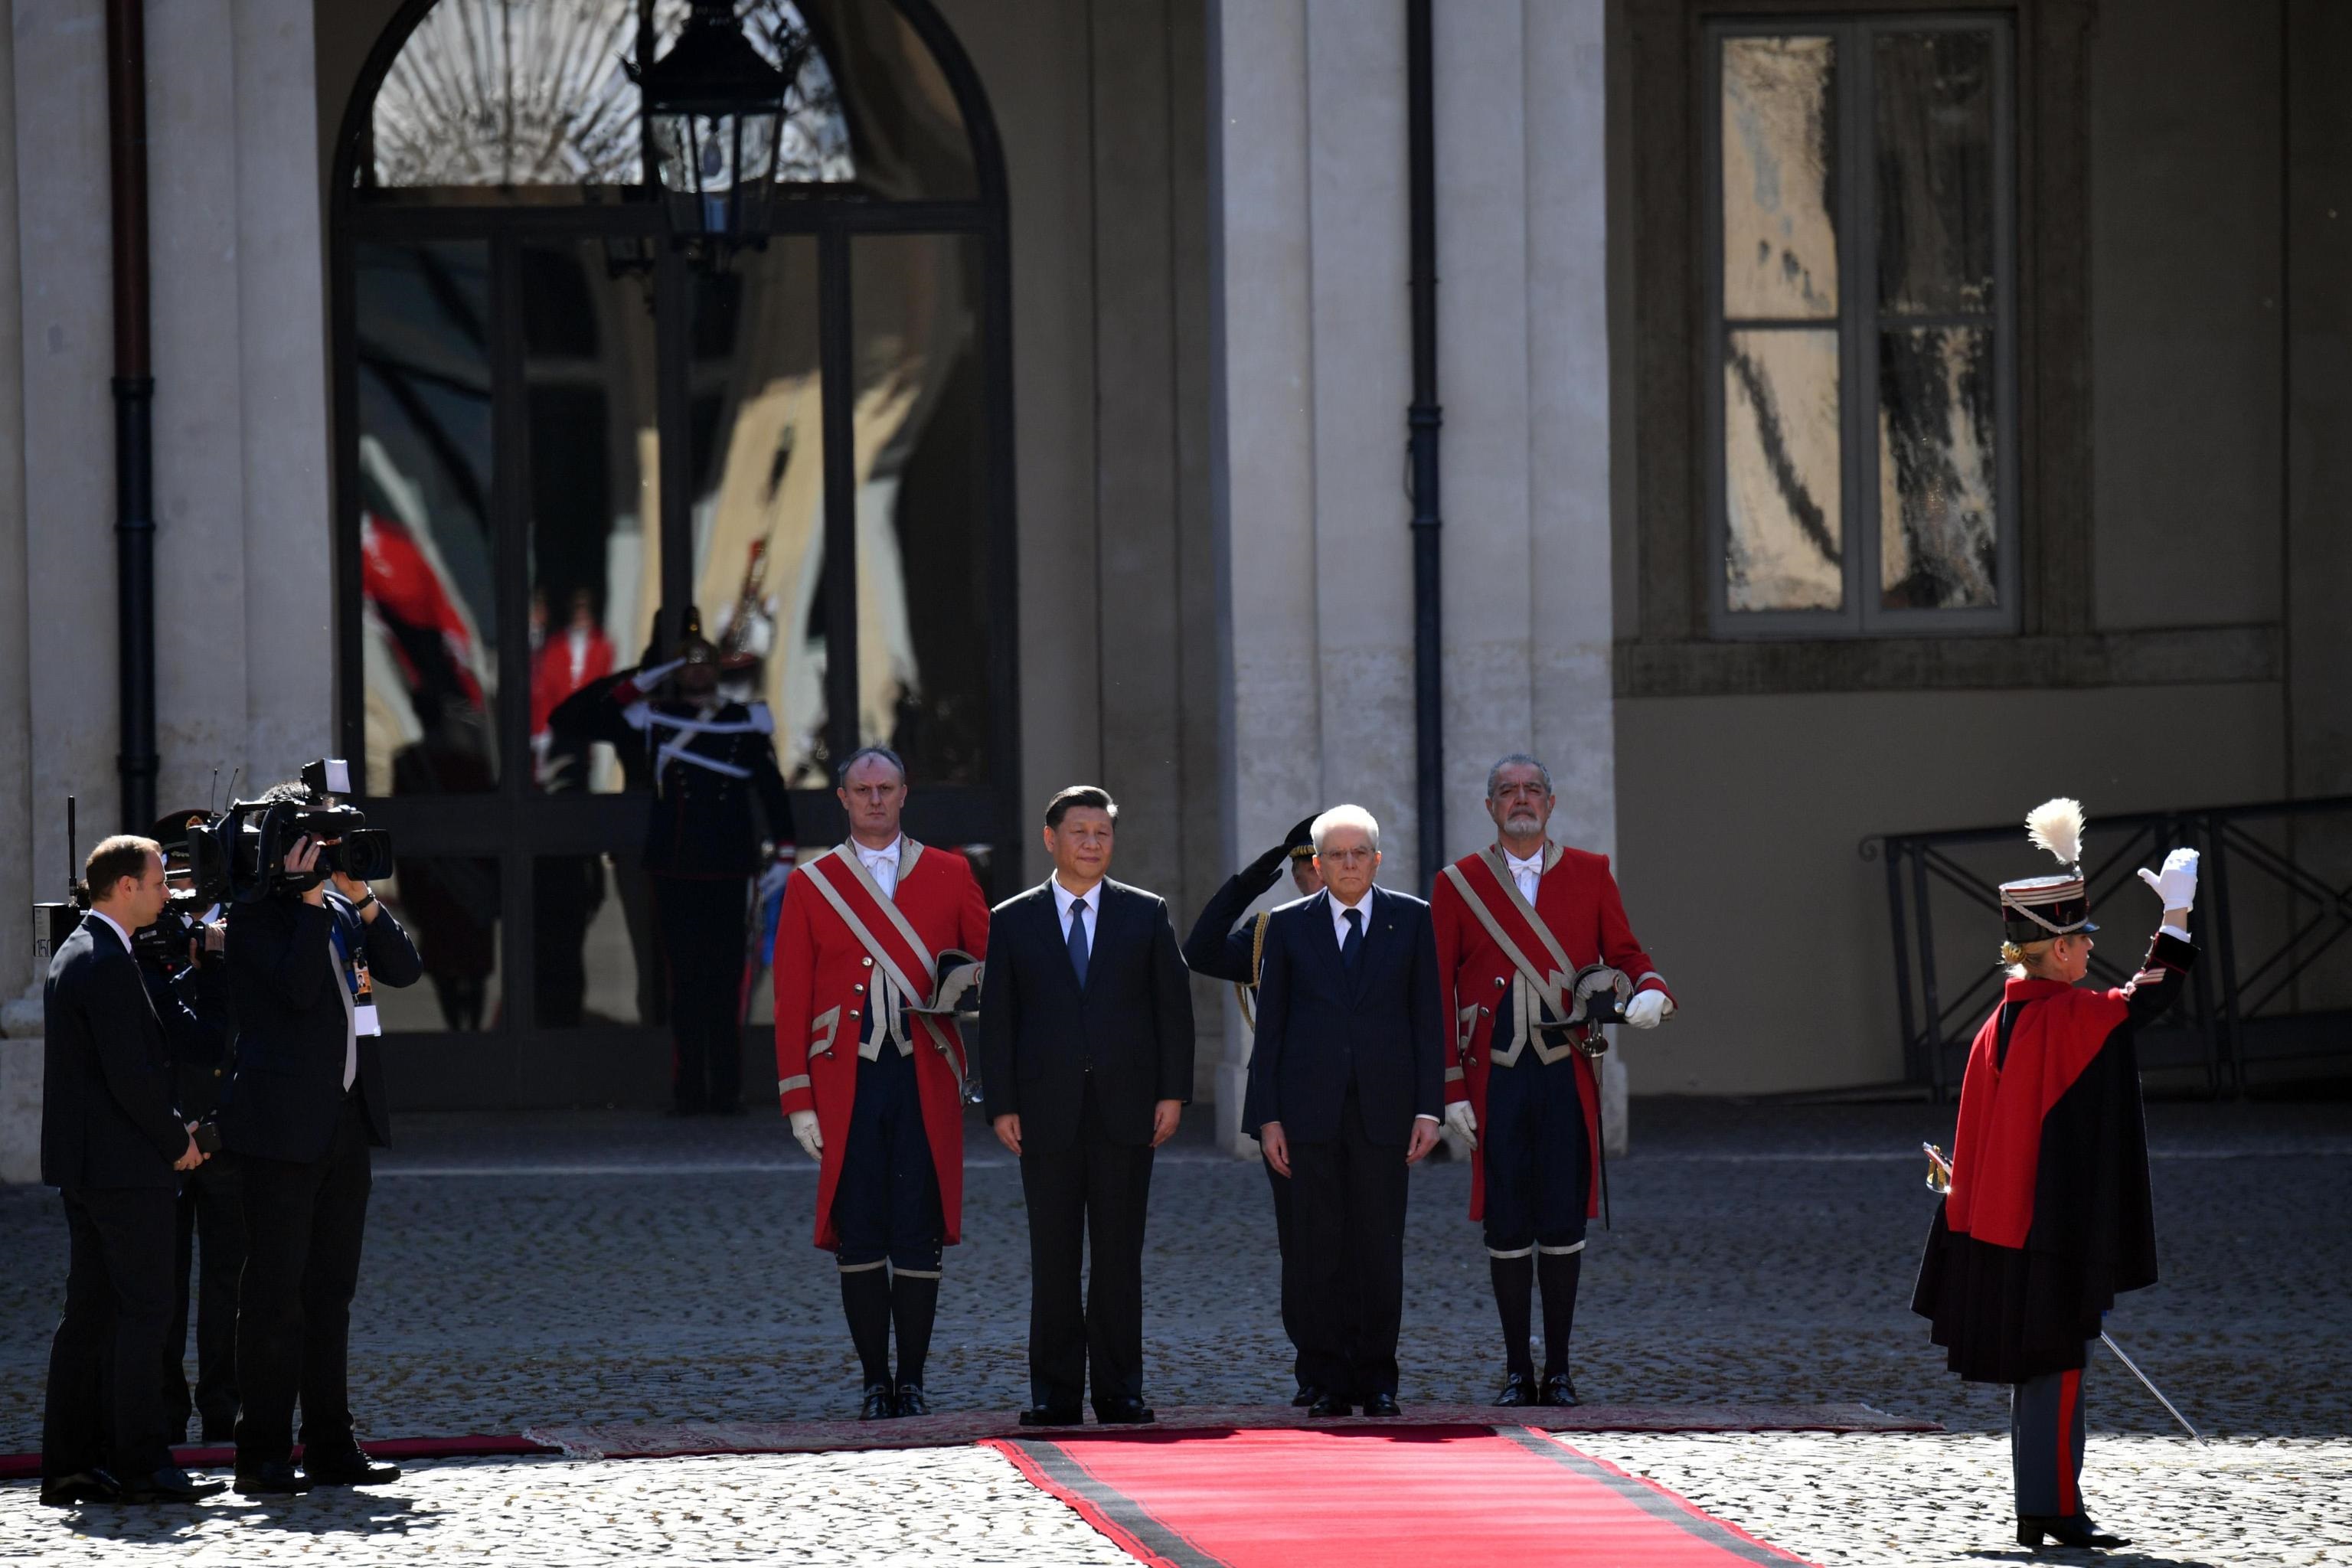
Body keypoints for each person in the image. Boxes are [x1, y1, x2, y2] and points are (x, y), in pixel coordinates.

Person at [1913, 799, 2197, 1553]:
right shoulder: (2061, 1015)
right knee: (2059, 1365)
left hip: (2004, 1227)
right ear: (2057, 950)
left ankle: (2043, 1504)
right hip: (2049, 1231)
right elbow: (2151, 997)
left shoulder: (1993, 1025)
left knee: (2040, 1374)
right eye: (2078, 941)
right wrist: (2176, 916)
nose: (2086, 954)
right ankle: (2056, 1510)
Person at [1431, 754, 1675, 1407]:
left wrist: (1650, 990)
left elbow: (1626, 954)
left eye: (1532, 790)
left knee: (1563, 1222)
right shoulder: (1459, 884)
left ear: (1551, 802)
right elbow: (1436, 989)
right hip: (1496, 1080)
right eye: (1507, 791)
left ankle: (1560, 1371)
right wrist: (1450, 1087)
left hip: (1566, 1074)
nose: (1521, 800)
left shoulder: (1590, 873)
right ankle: (1517, 1371)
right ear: (1489, 806)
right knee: (1507, 1226)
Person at [773, 746, 989, 1419]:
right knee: (859, 1228)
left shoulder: (952, 874)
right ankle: (874, 1379)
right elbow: (792, 1000)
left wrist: (966, 986)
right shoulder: (813, 884)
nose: (874, 799)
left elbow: (991, 968)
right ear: (841, 798)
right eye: (861, 789)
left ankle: (915, 1379)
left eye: (886, 788)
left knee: (917, 1229)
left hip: (924, 1072)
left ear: (904, 794)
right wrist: (797, 1100)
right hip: (848, 1082)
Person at [218, 793, 423, 1495]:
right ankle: (264, 1451)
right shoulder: (252, 917)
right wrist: (306, 902)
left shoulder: (338, 911)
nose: (325, 858)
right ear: (281, 850)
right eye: (313, 845)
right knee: (276, 1297)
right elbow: (300, 992)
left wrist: (362, 899)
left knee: (331, 1294)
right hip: (279, 1133)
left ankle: (332, 1444)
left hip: (342, 1126)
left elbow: (403, 969)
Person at [978, 786, 1194, 1426]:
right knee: (1054, 1257)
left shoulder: (1145, 913)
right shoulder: (1012, 919)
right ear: (1052, 839)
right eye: (1080, 832)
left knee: (1120, 1257)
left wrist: (1172, 1093)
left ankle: (1121, 1390)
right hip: (1044, 1114)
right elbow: (998, 1023)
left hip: (1127, 1111)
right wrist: (1002, 1105)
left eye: (1102, 833)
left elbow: (1172, 1014)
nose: (1093, 843)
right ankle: (1055, 1394)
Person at [40, 835, 223, 1506]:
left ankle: (70, 1465)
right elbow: (132, 1077)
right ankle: (143, 1463)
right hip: (124, 1171)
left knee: (88, 1317)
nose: (167, 892)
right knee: (146, 1314)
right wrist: (178, 1140)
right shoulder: (108, 961)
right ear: (122, 887)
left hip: (90, 1170)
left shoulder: (81, 950)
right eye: (156, 882)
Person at [1244, 806, 1444, 1416]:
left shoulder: (1412, 920)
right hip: (1308, 1115)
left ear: (1377, 860)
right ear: (1318, 864)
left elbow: (1427, 1022)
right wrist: (1267, 1118)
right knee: (1317, 1250)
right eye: (1337, 855)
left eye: (1360, 854)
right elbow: (1271, 1030)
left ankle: (1378, 1378)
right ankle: (1327, 1378)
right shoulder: (1286, 925)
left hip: (1386, 1112)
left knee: (1379, 1250)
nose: (1349, 863)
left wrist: (1430, 1110)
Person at [554, 621, 795, 1112]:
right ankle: (689, 1090)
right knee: (683, 985)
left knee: (727, 984)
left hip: (729, 865)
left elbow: (770, 789)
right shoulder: (654, 717)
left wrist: (786, 850)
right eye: (687, 663)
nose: (697, 671)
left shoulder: (743, 720)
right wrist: (643, 677)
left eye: (705, 662)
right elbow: (576, 717)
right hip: (677, 865)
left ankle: (726, 1091)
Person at [1180, 815, 1331, 1405]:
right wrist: (1250, 881)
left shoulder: (1385, 923)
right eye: (1307, 867)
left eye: (1331, 862)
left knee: (1364, 1244)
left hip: (1364, 1108)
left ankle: (1364, 1367)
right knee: (1302, 1248)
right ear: (1294, 874)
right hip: (1290, 1114)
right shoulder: (1269, 933)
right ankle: (1314, 1369)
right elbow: (1200, 951)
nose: (1319, 877)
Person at [139, 814, 243, 1445]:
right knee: (163, 1286)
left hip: (225, 1134)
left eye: (192, 871)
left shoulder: (234, 937)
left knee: (227, 1283)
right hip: (165, 1137)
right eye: (171, 872)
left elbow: (237, 1033)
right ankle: (166, 1409)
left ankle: (222, 1410)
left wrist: (218, 961)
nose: (180, 886)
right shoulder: (147, 944)